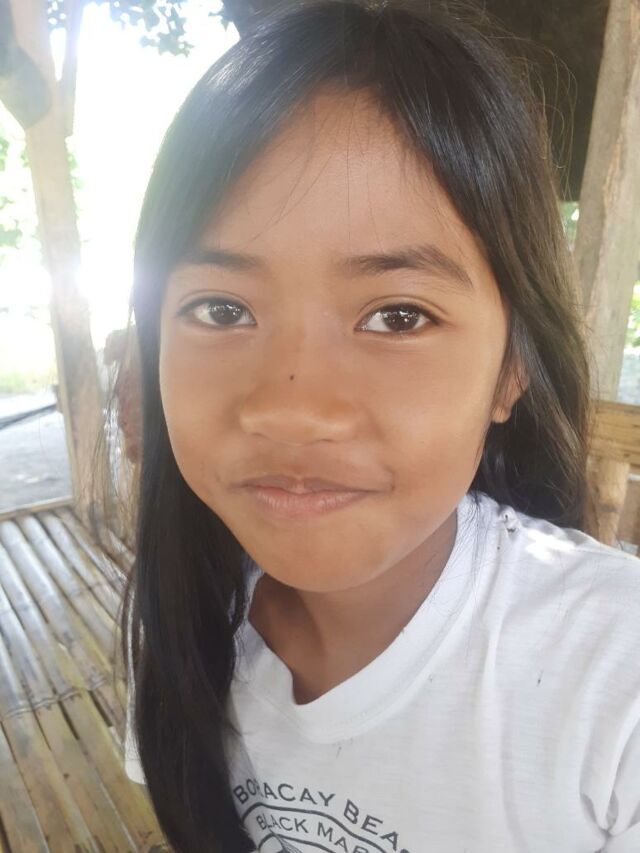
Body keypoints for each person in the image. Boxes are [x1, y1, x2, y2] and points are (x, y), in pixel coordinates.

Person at [118, 1, 640, 850]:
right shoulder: (183, 625)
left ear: (512, 366)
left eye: (398, 315)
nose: (292, 407)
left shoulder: (615, 678)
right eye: (221, 308)